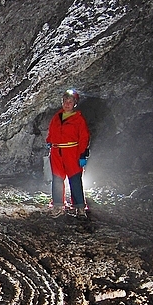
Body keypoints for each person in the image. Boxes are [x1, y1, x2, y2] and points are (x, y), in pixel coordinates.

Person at [46, 89, 90, 218]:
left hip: (72, 152)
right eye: (65, 101)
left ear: (75, 103)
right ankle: (58, 205)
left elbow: (84, 137)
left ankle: (80, 207)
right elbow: (52, 132)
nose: (67, 104)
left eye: (70, 102)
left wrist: (82, 154)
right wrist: (49, 141)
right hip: (56, 152)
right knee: (58, 179)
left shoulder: (79, 119)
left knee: (75, 179)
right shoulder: (57, 117)